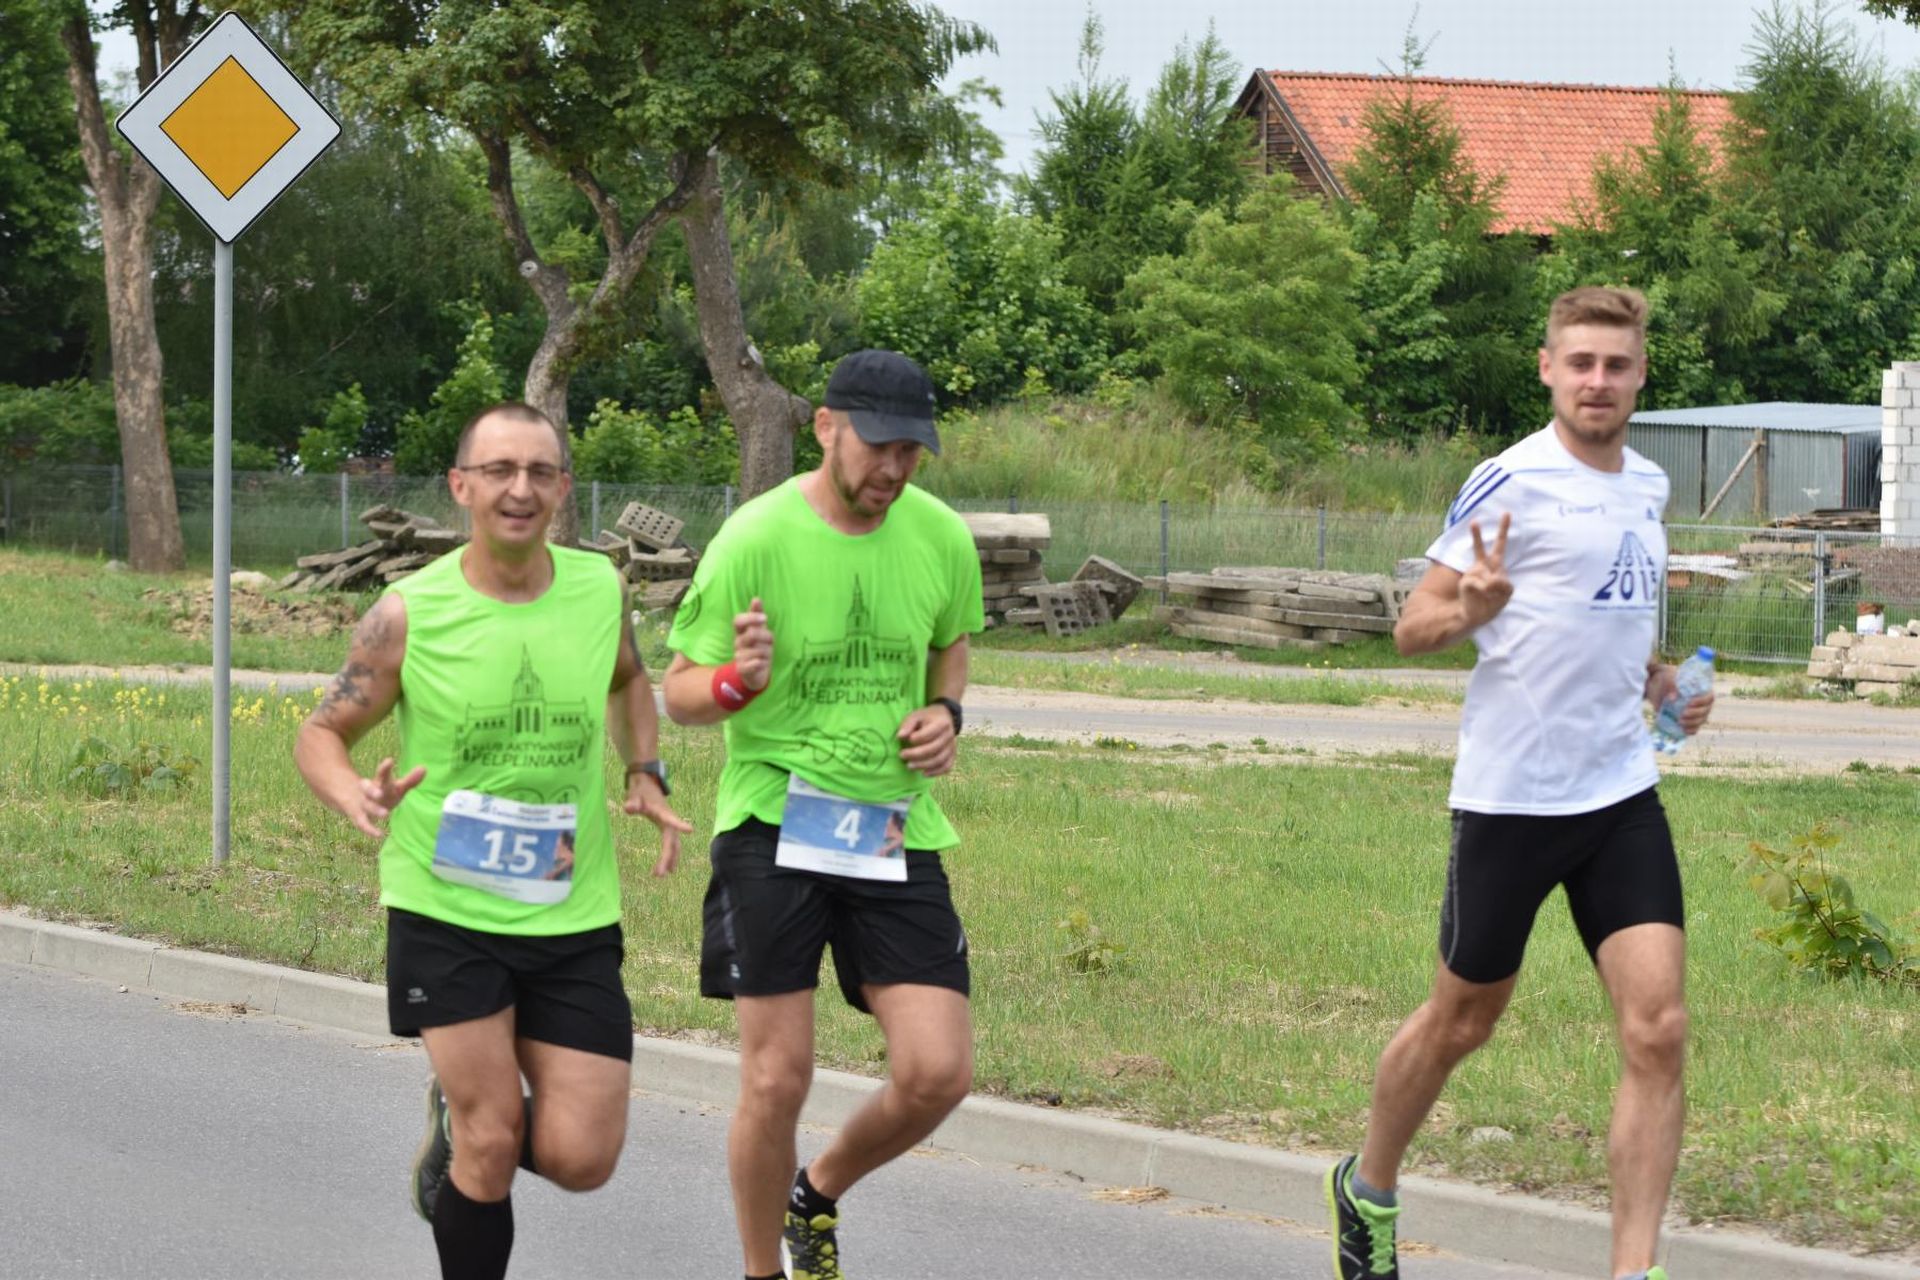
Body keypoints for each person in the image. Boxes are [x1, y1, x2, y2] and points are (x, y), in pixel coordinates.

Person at [1326, 287, 1714, 1280]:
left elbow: (1607, 621)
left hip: (1620, 795)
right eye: (1580, 362)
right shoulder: (1509, 479)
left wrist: (1661, 682)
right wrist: (1471, 608)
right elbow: (1413, 628)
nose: (1598, 381)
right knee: (1463, 1019)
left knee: (1659, 1026)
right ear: (1547, 368)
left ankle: (1636, 1268)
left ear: (1641, 374)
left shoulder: (1649, 486)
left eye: (1616, 364)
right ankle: (1369, 1184)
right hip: (1511, 802)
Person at [294, 402, 690, 1280]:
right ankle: (472, 1129)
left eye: (540, 472)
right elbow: (320, 734)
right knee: (494, 1135)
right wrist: (353, 792)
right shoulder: (409, 613)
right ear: (461, 486)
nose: (521, 489)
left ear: (563, 488)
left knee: (584, 1157)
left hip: (571, 910)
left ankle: (458, 1126)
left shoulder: (599, 589)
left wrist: (644, 770)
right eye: (500, 470)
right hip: (445, 909)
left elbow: (629, 679)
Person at [662, 349, 984, 1280]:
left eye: (911, 452)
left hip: (891, 826)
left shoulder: (941, 537)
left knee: (937, 1072)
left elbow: (951, 644)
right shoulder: (755, 538)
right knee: (777, 1077)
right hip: (774, 821)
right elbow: (678, 692)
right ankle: (763, 1271)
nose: (894, 468)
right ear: (826, 428)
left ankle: (817, 1192)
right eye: (878, 446)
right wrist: (737, 681)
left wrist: (946, 712)